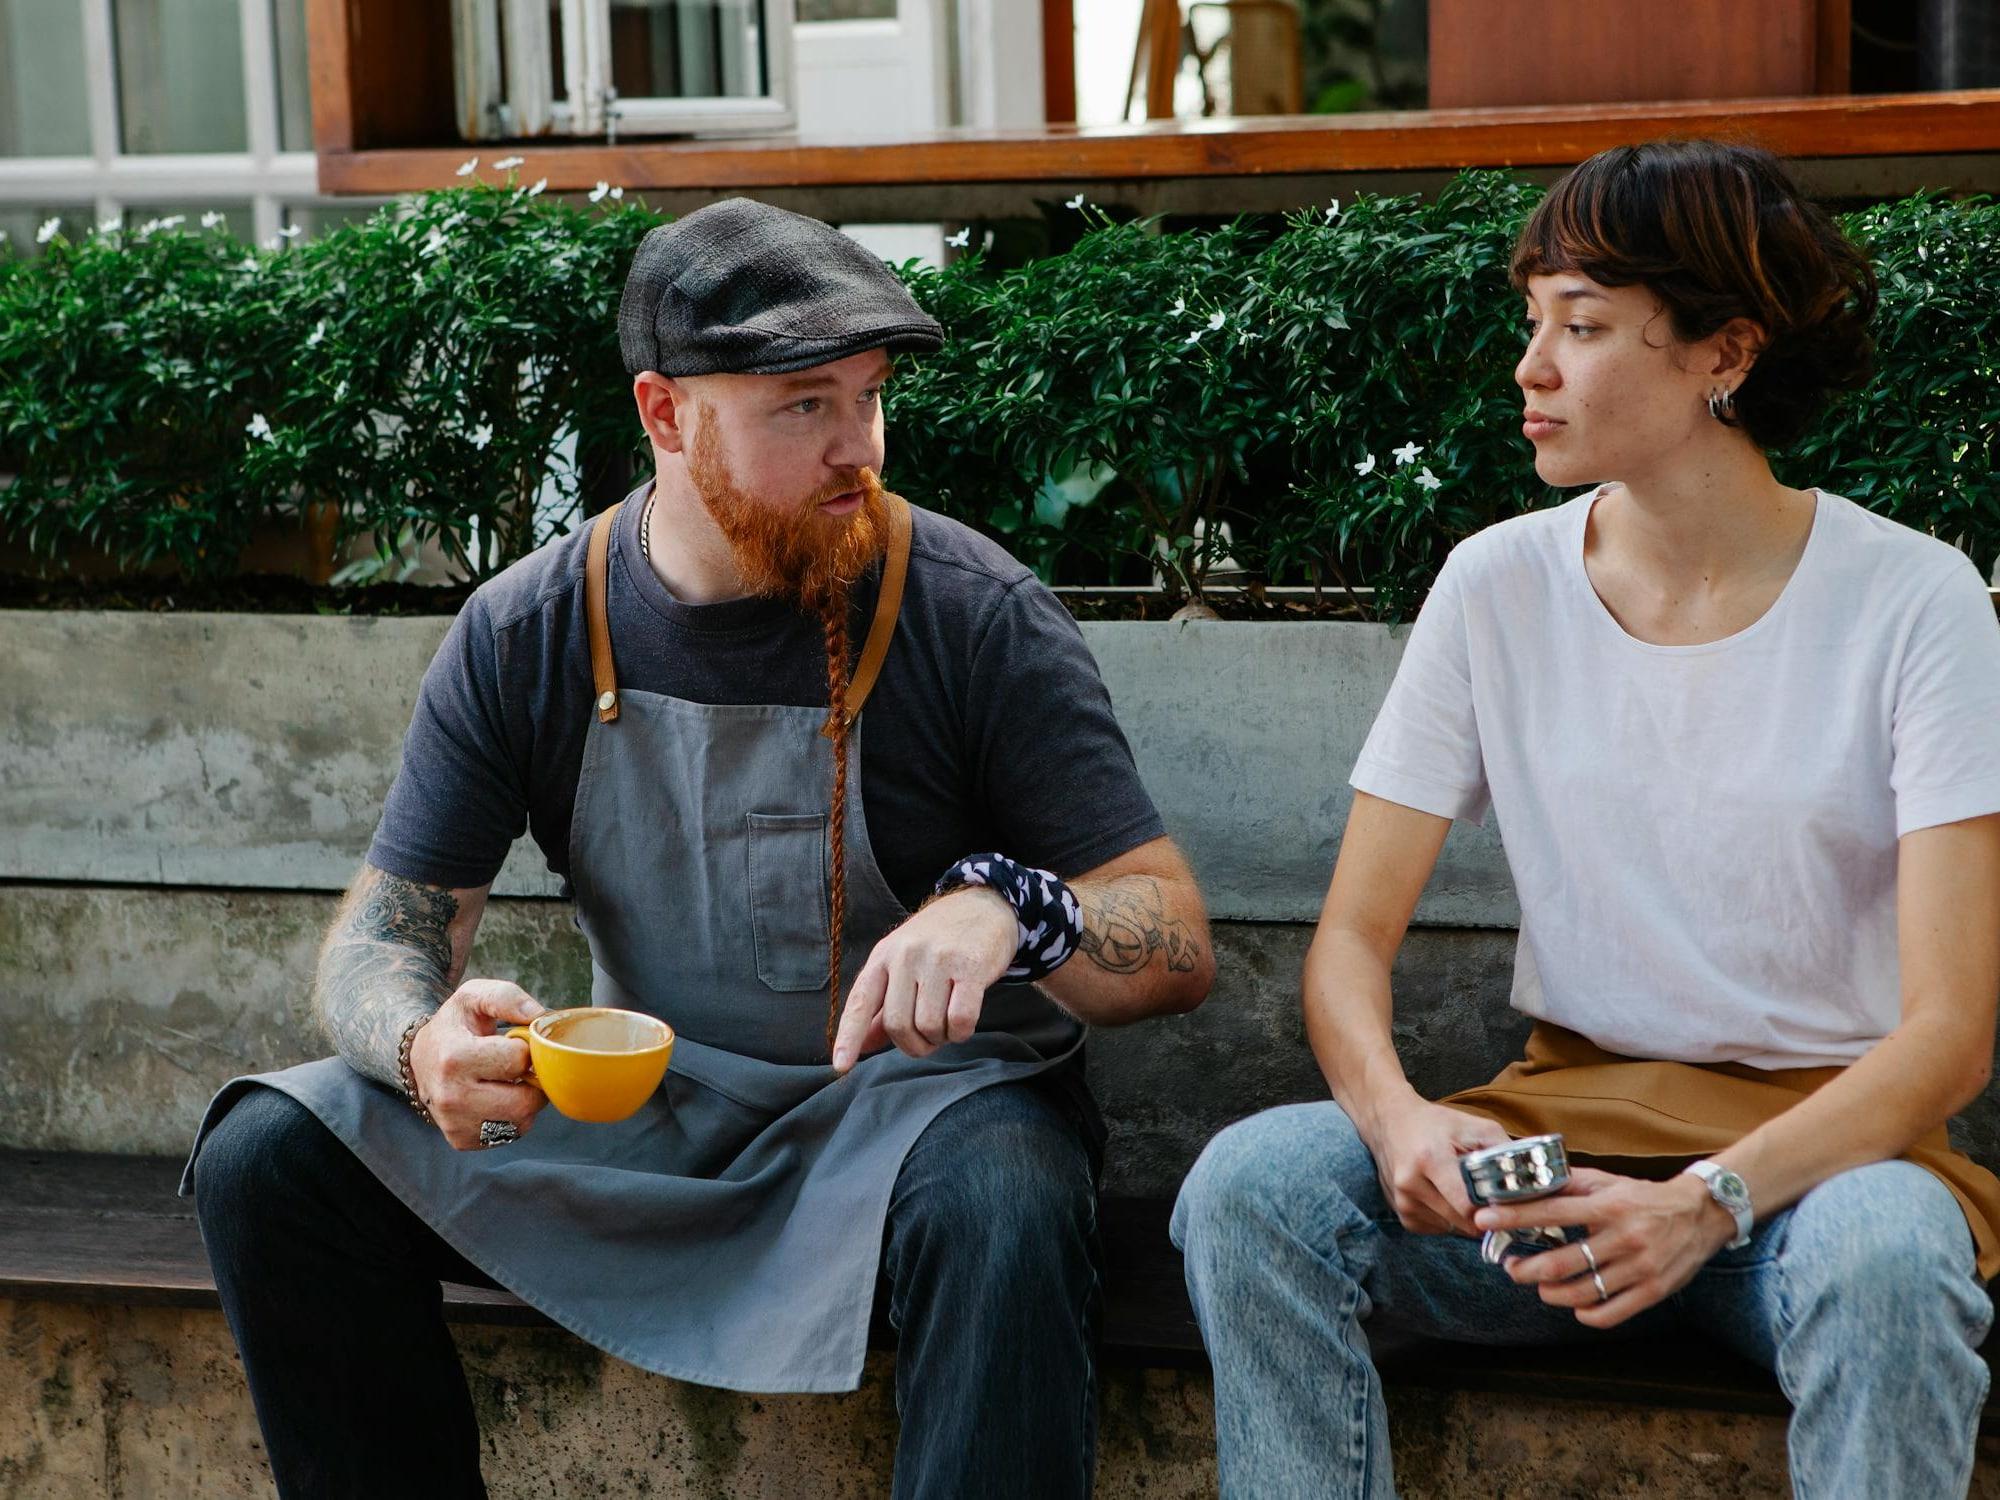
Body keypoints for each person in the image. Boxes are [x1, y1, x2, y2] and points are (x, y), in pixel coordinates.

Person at [186, 196, 1214, 1499]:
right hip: (666, 1119)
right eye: (804, 407)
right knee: (270, 1154)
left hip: (921, 1126)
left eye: (871, 397)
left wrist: (1021, 910)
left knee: (1008, 1196)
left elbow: (1174, 940)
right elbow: (387, 933)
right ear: (665, 414)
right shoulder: (528, 632)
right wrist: (419, 1042)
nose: (861, 449)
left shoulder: (972, 614)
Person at [1172, 139, 2000, 1498]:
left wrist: (1706, 1203)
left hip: (1815, 1179)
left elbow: (1949, 1039)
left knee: (1892, 1261)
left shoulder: (1913, 603)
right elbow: (1348, 948)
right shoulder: (1496, 586)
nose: (1531, 366)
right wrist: (1399, 1125)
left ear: (1720, 353)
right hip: (1553, 1161)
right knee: (1255, 1187)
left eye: (1586, 325)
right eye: (1533, 319)